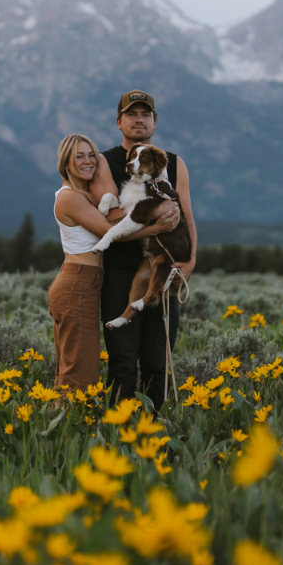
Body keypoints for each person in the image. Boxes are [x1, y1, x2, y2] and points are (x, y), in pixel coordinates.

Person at [90, 90, 196, 410]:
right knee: (122, 362)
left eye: (145, 114)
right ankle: (117, 436)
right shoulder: (106, 162)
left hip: (165, 269)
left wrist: (190, 261)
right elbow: (108, 221)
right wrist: (156, 226)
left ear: (155, 121)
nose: (139, 119)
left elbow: (187, 215)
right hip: (120, 272)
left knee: (157, 361)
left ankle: (153, 435)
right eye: (132, 114)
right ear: (119, 121)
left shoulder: (174, 164)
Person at [48, 134, 177, 390]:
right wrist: (155, 228)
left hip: (84, 282)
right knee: (80, 373)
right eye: (79, 156)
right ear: (66, 162)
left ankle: (64, 424)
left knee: (73, 368)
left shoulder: (82, 195)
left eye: (91, 155)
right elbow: (109, 230)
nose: (88, 161)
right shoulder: (70, 198)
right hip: (77, 282)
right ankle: (70, 426)